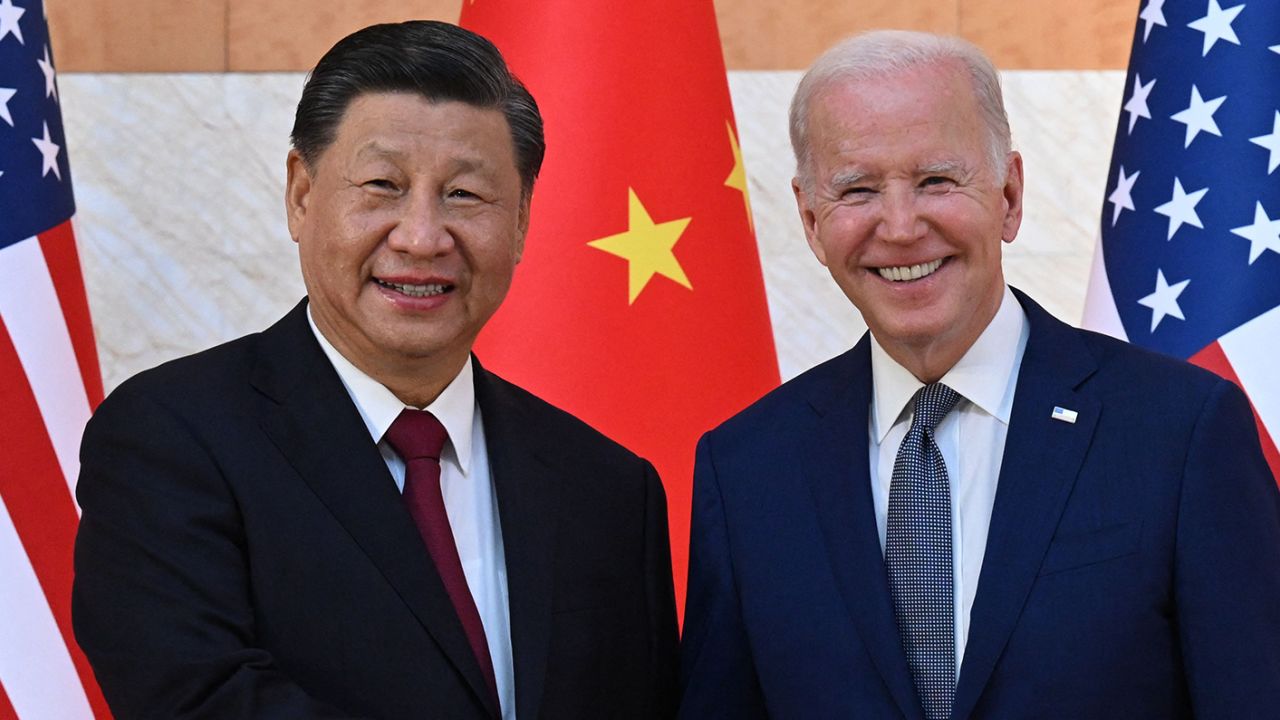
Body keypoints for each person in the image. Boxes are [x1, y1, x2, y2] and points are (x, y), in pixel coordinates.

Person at [72, 21, 678, 720]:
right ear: (301, 195)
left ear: (520, 223)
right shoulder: (170, 439)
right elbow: (194, 698)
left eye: (465, 195)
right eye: (383, 185)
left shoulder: (606, 488)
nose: (421, 237)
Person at [678, 30, 1280, 719]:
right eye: (858, 190)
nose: (900, 226)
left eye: (936, 180)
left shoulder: (1181, 433)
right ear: (812, 222)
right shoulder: (748, 466)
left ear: (1010, 196)